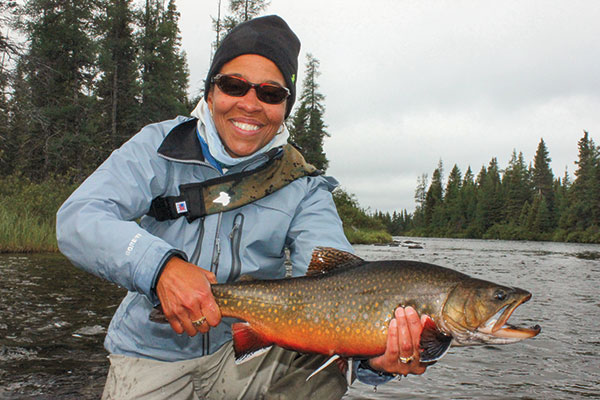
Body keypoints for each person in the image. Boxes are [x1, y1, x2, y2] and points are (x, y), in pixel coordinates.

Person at [56, 15, 429, 400]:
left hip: (247, 354)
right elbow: (79, 218)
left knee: (321, 373)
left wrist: (370, 354)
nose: (250, 104)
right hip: (151, 353)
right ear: (211, 92)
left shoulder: (303, 186)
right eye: (234, 85)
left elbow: (336, 284)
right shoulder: (159, 146)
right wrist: (160, 267)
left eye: (270, 94)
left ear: (285, 106)